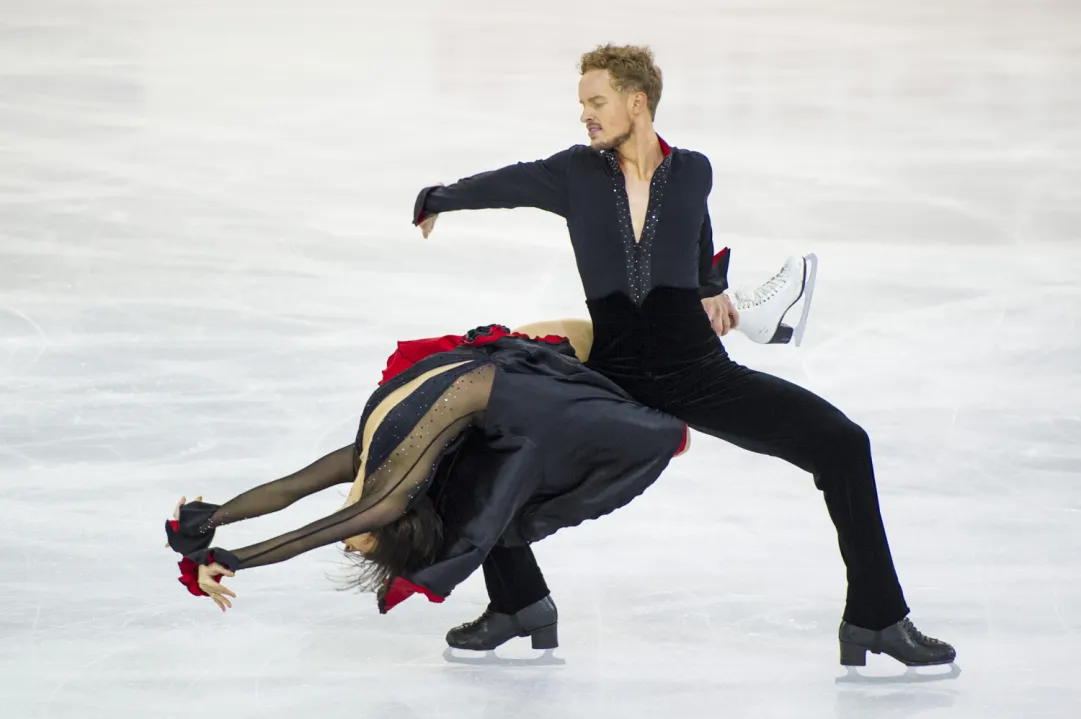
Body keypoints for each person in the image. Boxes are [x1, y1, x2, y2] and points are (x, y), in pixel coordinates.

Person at [411, 43, 956, 668]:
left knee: (843, 443)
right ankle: (519, 604)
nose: (585, 115)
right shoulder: (574, 172)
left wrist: (710, 290)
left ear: (636, 102)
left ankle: (877, 618)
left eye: (596, 102)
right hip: (612, 378)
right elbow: (503, 184)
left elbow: (698, 238)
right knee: (485, 447)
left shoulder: (694, 170)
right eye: (582, 104)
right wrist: (438, 198)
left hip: (698, 372)